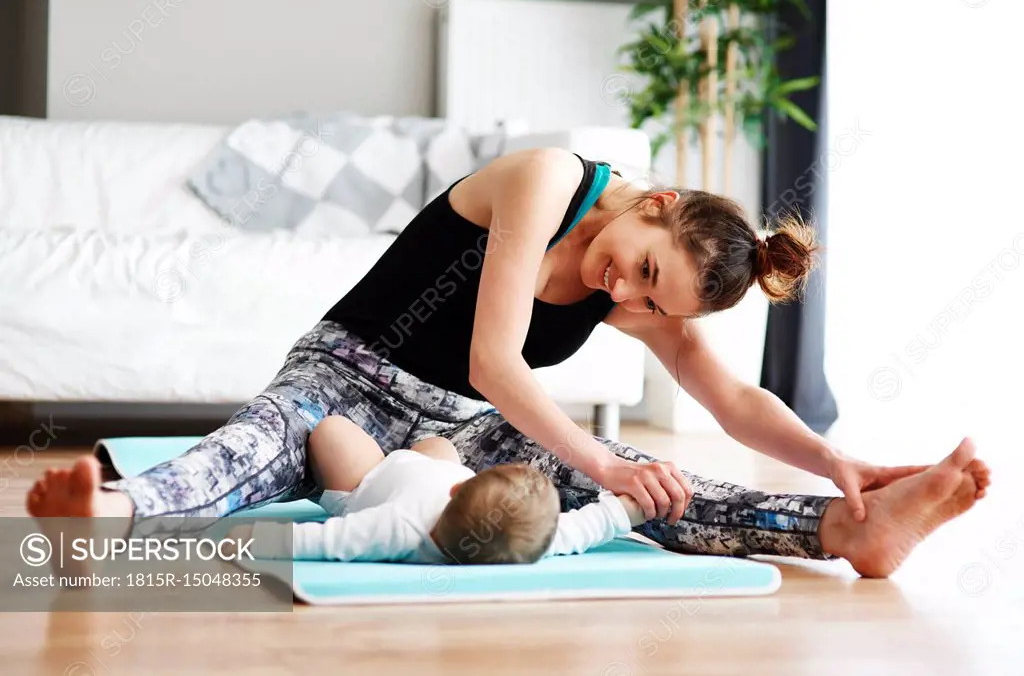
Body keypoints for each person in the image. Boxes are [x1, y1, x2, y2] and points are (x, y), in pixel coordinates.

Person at [28, 148, 991, 579]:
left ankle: (842, 530)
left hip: (456, 427)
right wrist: (602, 459)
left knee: (661, 487)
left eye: (654, 304)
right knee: (253, 450)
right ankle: (107, 519)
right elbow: (496, 358)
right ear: (651, 201)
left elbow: (733, 398)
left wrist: (836, 460)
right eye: (645, 273)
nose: (630, 300)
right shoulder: (546, 178)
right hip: (344, 380)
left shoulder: (643, 285)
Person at [225, 415, 648, 563]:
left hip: (367, 481)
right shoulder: (533, 539)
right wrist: (631, 510)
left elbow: (319, 540)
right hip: (424, 465)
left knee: (332, 432)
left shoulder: (396, 527)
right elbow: (589, 526)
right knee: (442, 446)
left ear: (455, 491)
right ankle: (422, 452)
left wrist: (240, 541)